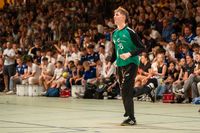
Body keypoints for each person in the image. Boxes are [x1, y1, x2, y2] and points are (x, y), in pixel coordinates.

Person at [111, 7, 157, 126]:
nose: (114, 16)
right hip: (120, 65)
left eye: (117, 14)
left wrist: (129, 54)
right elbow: (115, 49)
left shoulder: (130, 32)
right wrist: (114, 60)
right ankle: (148, 88)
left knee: (126, 90)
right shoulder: (114, 33)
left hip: (132, 63)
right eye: (114, 15)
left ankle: (131, 118)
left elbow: (142, 48)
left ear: (123, 17)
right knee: (125, 92)